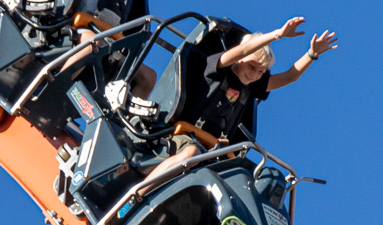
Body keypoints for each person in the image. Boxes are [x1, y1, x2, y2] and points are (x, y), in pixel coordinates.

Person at [139, 18, 339, 186]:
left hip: (214, 151)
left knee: (250, 184)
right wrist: (277, 34)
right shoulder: (217, 68)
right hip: (184, 137)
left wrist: (311, 55)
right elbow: (243, 50)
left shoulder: (252, 87)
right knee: (191, 152)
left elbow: (289, 77)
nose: (255, 75)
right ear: (239, 60)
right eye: (252, 66)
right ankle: (138, 193)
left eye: (261, 72)